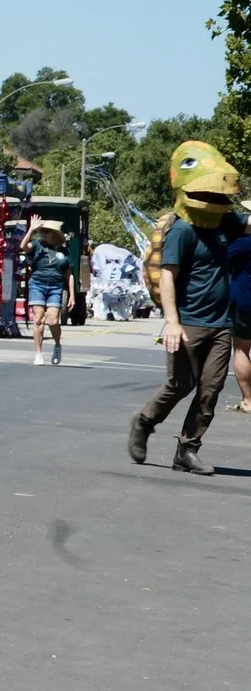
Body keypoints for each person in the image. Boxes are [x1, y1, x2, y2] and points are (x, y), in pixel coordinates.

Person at [131, 177, 243, 477]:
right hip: (188, 321)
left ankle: (187, 450)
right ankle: (144, 421)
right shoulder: (182, 229)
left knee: (211, 388)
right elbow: (168, 276)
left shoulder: (225, 222)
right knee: (181, 384)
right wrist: (171, 322)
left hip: (221, 322)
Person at [25, 218, 71, 367]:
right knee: (38, 318)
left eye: (47, 232)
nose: (44, 234)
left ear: (55, 235)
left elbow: (69, 274)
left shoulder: (64, 252)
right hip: (37, 284)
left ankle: (57, 345)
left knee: (52, 321)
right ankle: (38, 354)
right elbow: (23, 246)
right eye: (42, 231)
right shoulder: (37, 245)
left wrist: (72, 295)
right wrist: (31, 229)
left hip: (56, 286)